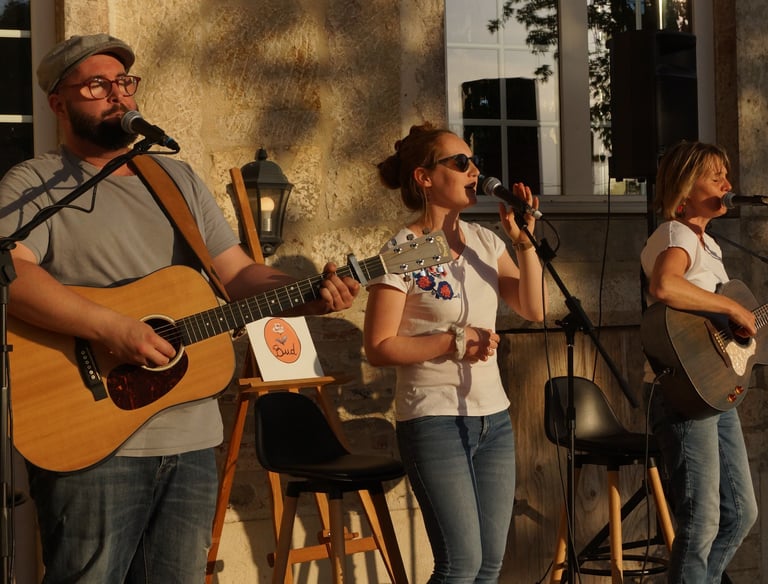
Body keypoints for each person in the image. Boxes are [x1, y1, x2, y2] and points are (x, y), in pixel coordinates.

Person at [0, 34, 360, 582]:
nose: (117, 95)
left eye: (124, 82)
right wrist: (110, 328)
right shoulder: (34, 184)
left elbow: (236, 273)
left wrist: (303, 292)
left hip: (191, 437)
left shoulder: (174, 179)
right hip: (90, 436)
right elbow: (11, 273)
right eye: (96, 84)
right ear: (58, 102)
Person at [363, 123, 547, 583]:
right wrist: (453, 342)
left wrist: (524, 242)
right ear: (424, 177)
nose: (474, 172)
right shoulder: (405, 250)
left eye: (474, 162)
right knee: (460, 565)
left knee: (489, 565)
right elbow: (379, 347)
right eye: (460, 163)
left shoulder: (485, 241)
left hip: (494, 419)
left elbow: (535, 308)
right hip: (435, 419)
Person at [641, 140, 758, 583]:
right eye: (716, 177)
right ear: (685, 189)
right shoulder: (677, 234)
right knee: (703, 519)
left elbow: (713, 320)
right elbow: (665, 286)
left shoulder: (709, 246)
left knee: (741, 514)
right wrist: (731, 308)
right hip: (682, 393)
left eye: (727, 175)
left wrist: (741, 326)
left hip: (713, 388)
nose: (728, 185)